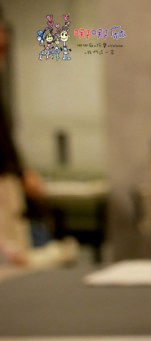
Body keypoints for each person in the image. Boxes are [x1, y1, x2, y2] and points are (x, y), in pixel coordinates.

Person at [0, 8, 77, 268]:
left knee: (16, 256)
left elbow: (6, 140)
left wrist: (22, 173)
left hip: (8, 182)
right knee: (12, 260)